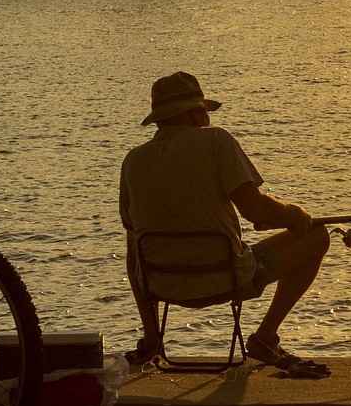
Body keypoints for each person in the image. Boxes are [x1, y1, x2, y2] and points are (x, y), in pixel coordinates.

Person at [119, 71, 332, 377]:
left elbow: (133, 255)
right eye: (204, 111)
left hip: (161, 284)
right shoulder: (216, 140)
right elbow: (255, 210)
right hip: (227, 278)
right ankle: (264, 338)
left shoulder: (133, 161)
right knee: (317, 236)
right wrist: (295, 215)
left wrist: (151, 334)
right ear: (195, 113)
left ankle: (154, 339)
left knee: (137, 248)